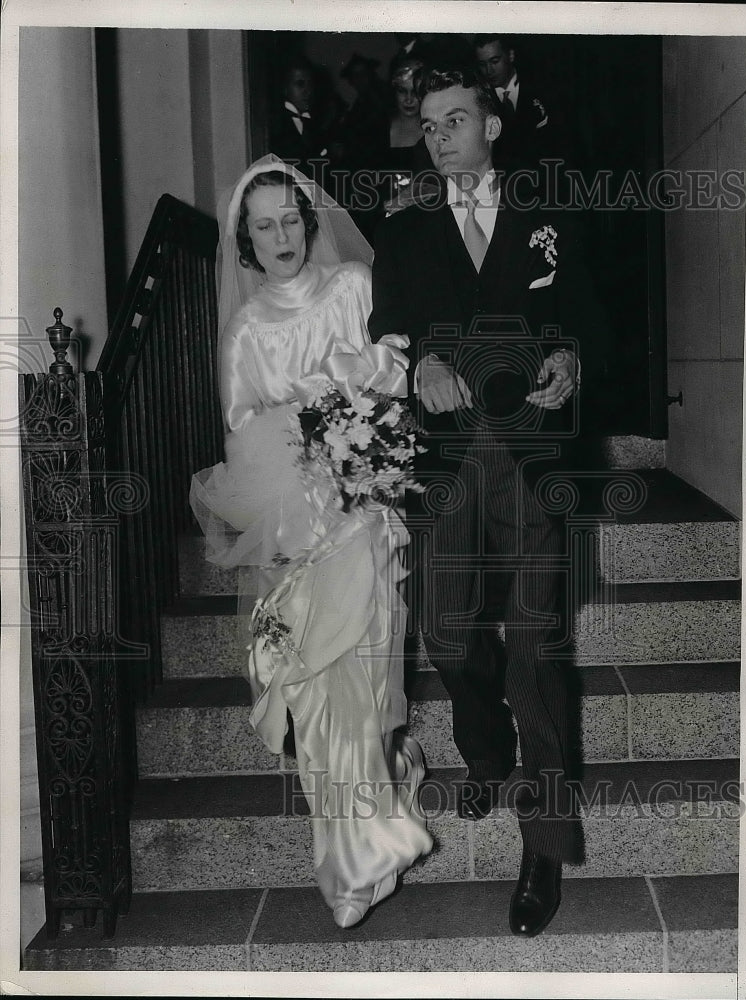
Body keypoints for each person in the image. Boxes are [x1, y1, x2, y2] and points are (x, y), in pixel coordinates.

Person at [368, 66, 608, 938]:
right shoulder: (403, 230)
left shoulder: (552, 213)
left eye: (455, 119)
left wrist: (572, 360)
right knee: (445, 632)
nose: (439, 137)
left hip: (534, 460)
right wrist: (420, 362)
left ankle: (543, 843)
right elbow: (388, 327)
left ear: (493, 126)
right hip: (448, 461)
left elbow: (588, 318)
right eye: (427, 126)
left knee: (536, 653)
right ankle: (485, 748)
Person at [190, 155, 432, 929]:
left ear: (309, 220)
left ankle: (374, 829)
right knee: (319, 698)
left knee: (361, 675)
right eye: (264, 225)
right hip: (299, 530)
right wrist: (303, 435)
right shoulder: (245, 331)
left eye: (291, 218)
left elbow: (397, 366)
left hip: (364, 515)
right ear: (245, 242)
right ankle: (348, 858)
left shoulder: (354, 286)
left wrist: (352, 393)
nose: (282, 235)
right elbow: (239, 433)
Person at [473, 34, 552, 172]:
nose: (488, 71)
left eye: (495, 61)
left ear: (510, 55)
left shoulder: (541, 87)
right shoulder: (478, 97)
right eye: (482, 64)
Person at [269, 60, 327, 178]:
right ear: (285, 88)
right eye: (300, 84)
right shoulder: (274, 123)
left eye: (310, 84)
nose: (308, 91)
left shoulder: (315, 124)